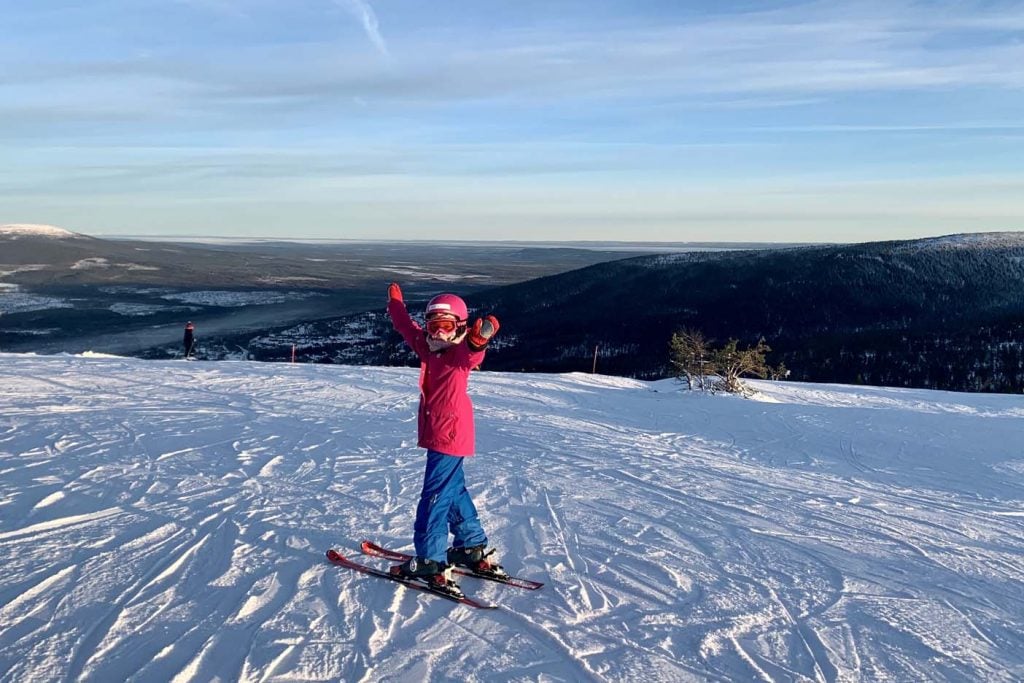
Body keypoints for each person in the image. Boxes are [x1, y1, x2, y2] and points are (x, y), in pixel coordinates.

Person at [386, 282, 501, 593]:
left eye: (447, 327)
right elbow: (406, 328)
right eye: (434, 326)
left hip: (448, 435)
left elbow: (472, 355)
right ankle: (470, 545)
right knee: (453, 491)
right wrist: (396, 306)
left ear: (460, 328)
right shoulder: (428, 347)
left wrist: (478, 341)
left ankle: (431, 559)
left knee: (434, 496)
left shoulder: (458, 355)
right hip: (444, 434)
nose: (439, 333)